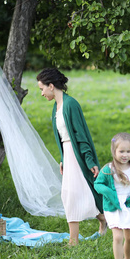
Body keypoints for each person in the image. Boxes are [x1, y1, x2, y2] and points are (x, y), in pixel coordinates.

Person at [36, 68, 107, 246]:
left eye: (42, 89)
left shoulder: (70, 105)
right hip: (68, 155)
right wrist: (62, 158)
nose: (42, 93)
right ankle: (103, 218)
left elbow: (81, 136)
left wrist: (90, 161)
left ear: (51, 86)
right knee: (73, 193)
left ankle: (73, 240)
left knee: (72, 194)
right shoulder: (57, 107)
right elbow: (63, 137)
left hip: (77, 156)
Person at [94, 132, 130, 259]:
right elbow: (98, 184)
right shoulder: (108, 168)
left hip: (128, 206)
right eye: (121, 151)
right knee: (118, 237)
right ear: (114, 151)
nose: (125, 155)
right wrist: (109, 193)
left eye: (128, 151)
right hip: (113, 207)